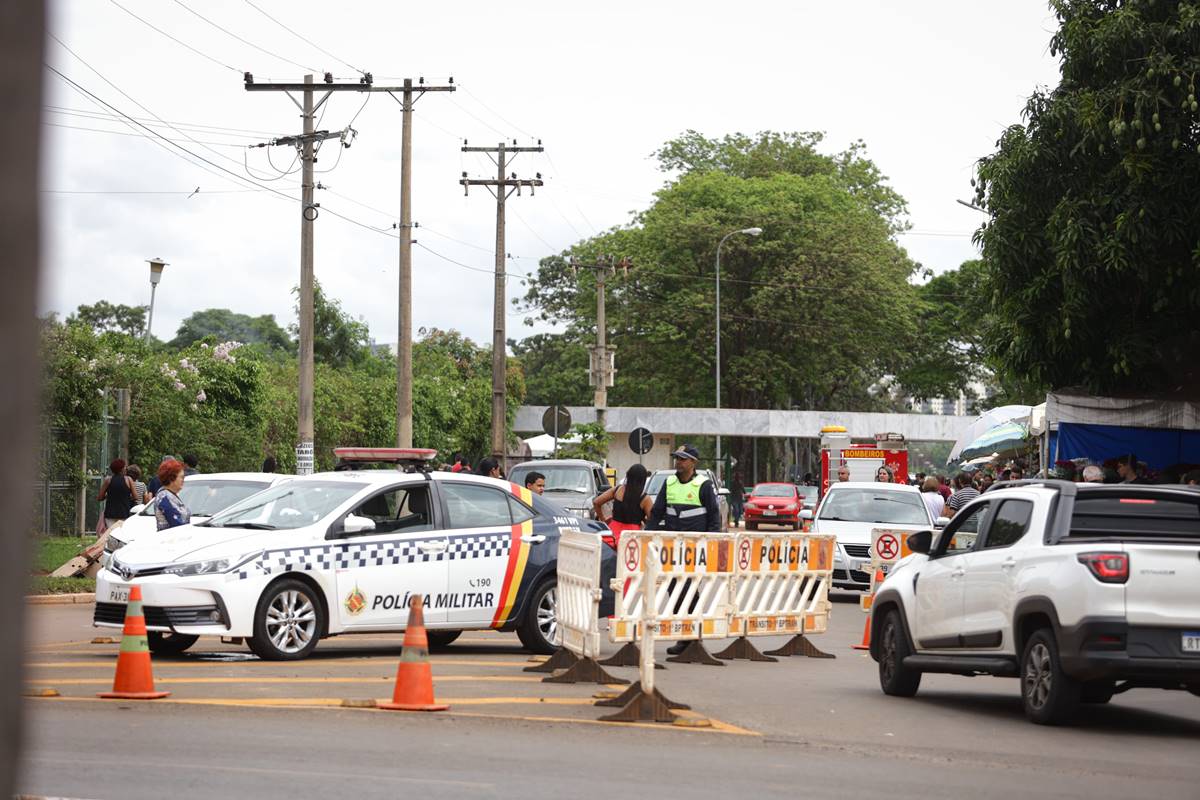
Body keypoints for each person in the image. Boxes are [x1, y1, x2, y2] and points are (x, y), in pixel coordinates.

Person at [647, 444, 721, 656]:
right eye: (677, 458)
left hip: (695, 550)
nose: (678, 462)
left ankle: (692, 636)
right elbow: (657, 513)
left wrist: (711, 546)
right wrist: (646, 537)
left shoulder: (703, 485)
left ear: (693, 462)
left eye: (683, 459)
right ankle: (686, 635)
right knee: (673, 589)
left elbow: (714, 518)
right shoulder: (669, 482)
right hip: (672, 549)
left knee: (688, 589)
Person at [593, 463, 653, 549]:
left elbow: (596, 502)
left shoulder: (617, 490)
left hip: (612, 534)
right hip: (632, 537)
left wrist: (603, 519)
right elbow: (652, 520)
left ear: (628, 476)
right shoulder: (645, 498)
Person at [97, 458, 136, 532]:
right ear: (121, 469)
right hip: (124, 513)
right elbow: (135, 496)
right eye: (125, 467)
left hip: (110, 514)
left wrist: (108, 496)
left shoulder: (108, 480)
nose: (126, 468)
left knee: (111, 534)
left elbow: (100, 497)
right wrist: (126, 496)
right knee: (122, 534)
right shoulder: (128, 479)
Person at [153, 458, 190, 531]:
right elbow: (178, 525)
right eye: (181, 477)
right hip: (171, 537)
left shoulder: (169, 495)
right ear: (171, 478)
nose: (183, 480)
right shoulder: (165, 497)